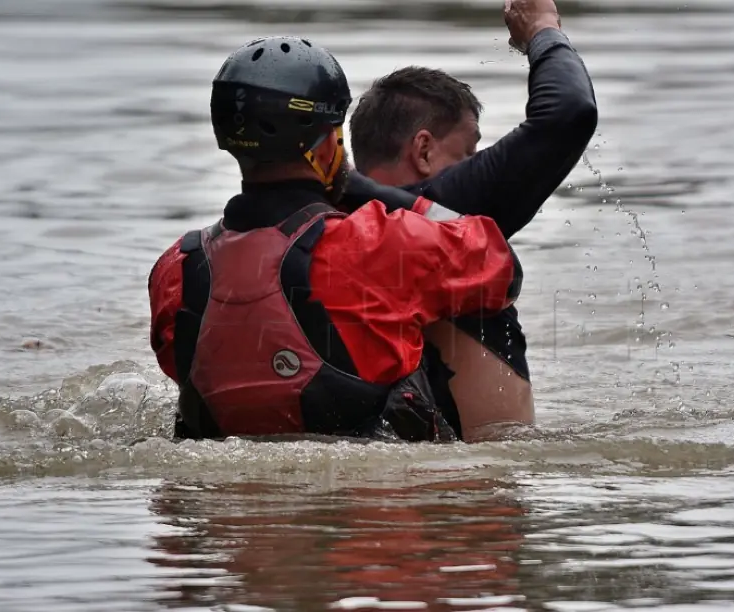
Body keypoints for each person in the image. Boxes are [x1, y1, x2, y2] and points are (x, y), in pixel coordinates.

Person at [147, 36, 523, 442]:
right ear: (328, 144)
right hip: (377, 494)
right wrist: (375, 193)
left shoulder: (176, 269)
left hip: (222, 493)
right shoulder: (384, 243)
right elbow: (504, 271)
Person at [342, 0, 598, 441]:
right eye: (468, 152)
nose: (477, 166)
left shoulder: (323, 228)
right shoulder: (440, 216)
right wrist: (542, 28)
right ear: (423, 151)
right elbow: (568, 113)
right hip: (468, 492)